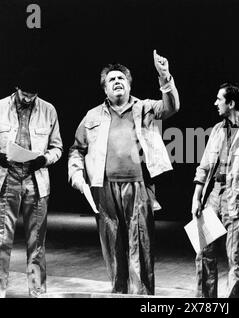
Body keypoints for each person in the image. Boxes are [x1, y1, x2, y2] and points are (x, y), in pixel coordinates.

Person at [68, 50, 180, 295]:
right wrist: (77, 176)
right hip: (104, 188)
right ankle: (119, 293)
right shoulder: (92, 116)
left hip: (138, 187)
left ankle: (142, 298)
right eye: (112, 79)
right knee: (113, 245)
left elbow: (171, 107)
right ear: (104, 89)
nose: (117, 81)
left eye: (122, 78)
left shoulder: (145, 108)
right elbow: (76, 149)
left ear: (129, 84)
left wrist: (165, 77)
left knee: (140, 244)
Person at [0, 67, 63, 298]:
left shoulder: (49, 110)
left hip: (36, 184)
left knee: (36, 243)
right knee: (0, 242)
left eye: (33, 94)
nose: (28, 98)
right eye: (25, 93)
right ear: (16, 88)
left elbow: (57, 147)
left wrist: (45, 159)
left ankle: (37, 292)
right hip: (7, 182)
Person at [191, 82, 239, 298]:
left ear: (231, 103)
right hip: (214, 195)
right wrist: (196, 198)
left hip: (237, 200)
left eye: (219, 99)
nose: (215, 103)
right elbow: (205, 166)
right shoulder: (217, 129)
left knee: (235, 259)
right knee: (203, 252)